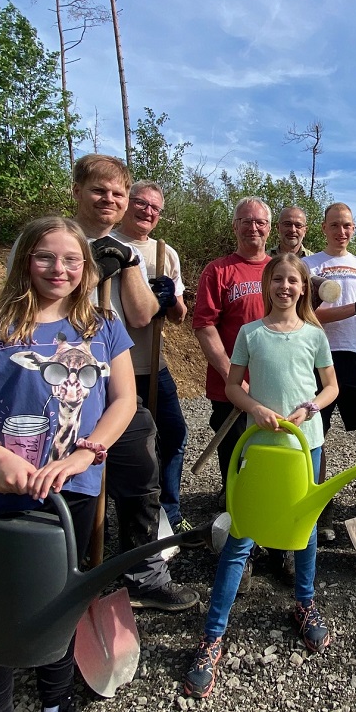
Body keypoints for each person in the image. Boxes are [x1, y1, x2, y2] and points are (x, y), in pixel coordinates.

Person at [0, 216, 133, 712]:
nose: (58, 269)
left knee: (61, 600)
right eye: (46, 257)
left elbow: (124, 402)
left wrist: (89, 452)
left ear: (86, 268)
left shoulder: (103, 326)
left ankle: (56, 707)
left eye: (71, 259)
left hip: (75, 491)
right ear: (24, 260)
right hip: (1, 494)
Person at [183, 253, 339, 699]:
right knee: (242, 535)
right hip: (260, 447)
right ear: (267, 284)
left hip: (305, 444)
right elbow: (233, 386)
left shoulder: (314, 335)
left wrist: (312, 406)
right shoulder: (251, 333)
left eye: (293, 281)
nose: (285, 287)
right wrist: (254, 407)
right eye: (278, 280)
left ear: (303, 287)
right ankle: (213, 635)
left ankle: (305, 605)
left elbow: (331, 387)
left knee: (303, 530)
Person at [70, 155, 198, 611]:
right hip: (71, 381)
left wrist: (137, 274)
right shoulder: (55, 242)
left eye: (117, 194)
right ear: (77, 191)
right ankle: (75, 569)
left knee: (148, 460)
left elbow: (145, 316)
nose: (112, 201)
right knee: (80, 476)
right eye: (100, 191)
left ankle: (143, 569)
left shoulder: (146, 254)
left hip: (130, 374)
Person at [304, 203, 356, 541]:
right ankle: (317, 505)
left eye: (348, 226)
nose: (342, 231)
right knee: (315, 435)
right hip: (314, 358)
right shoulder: (309, 265)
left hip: (352, 358)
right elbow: (307, 314)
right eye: (336, 225)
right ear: (323, 227)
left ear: (354, 229)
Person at [113, 181, 191, 533]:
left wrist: (170, 297)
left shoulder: (165, 253)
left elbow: (180, 316)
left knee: (173, 434)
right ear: (127, 203)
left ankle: (168, 514)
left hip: (152, 362)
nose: (147, 211)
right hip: (113, 366)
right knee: (120, 444)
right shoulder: (108, 244)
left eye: (155, 208)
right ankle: (111, 517)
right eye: (141, 203)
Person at [193, 197, 272, 493]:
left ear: (269, 229)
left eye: (260, 222)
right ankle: (235, 518)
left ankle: (265, 513)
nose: (254, 227)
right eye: (247, 221)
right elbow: (204, 326)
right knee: (236, 455)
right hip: (231, 387)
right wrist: (232, 376)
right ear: (235, 226)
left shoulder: (280, 271)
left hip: (272, 384)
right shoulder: (219, 271)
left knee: (269, 452)